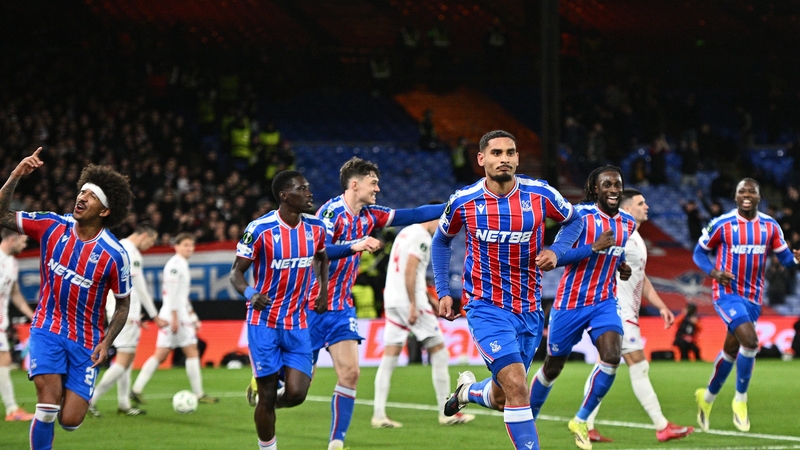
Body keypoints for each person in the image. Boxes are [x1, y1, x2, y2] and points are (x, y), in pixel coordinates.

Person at [433, 130, 584, 450]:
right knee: (518, 386)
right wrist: (444, 289)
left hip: (528, 308)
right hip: (486, 306)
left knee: (504, 396)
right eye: (497, 153)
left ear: (517, 158)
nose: (504, 159)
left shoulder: (540, 193)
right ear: (481, 159)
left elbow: (574, 220)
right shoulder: (464, 200)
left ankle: (467, 393)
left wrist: (558, 250)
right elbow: (441, 240)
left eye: (510, 153)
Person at [309, 156, 446, 450]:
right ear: (354, 184)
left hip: (341, 307)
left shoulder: (371, 215)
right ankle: (268, 381)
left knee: (351, 373)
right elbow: (317, 251)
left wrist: (457, 203)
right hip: (311, 304)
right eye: (373, 183)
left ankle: (337, 441)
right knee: (297, 388)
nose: (378, 189)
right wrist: (354, 245)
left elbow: (415, 213)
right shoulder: (331, 213)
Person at [0, 148, 133, 450]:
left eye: (92, 196)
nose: (82, 197)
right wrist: (15, 176)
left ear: (105, 211)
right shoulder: (52, 225)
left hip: (87, 340)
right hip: (47, 328)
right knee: (46, 408)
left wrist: (107, 341)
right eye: (82, 191)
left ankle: (62, 393)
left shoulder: (115, 255)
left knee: (70, 420)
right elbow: (1, 214)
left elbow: (123, 304)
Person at [528, 165, 635, 450]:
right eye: (607, 185)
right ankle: (528, 419)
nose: (613, 189)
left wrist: (621, 267)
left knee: (612, 357)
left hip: (604, 302)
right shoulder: (580, 217)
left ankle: (581, 419)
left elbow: (616, 255)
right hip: (570, 304)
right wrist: (593, 248)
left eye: (617, 184)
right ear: (595, 189)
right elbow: (554, 257)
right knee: (553, 368)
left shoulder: (628, 223)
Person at [583, 189, 694, 442]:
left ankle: (585, 424)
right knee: (635, 365)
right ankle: (661, 425)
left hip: (625, 311)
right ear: (628, 208)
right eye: (641, 203)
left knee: (606, 366)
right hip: (616, 309)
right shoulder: (619, 234)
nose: (647, 206)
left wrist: (661, 305)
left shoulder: (635, 237)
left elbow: (640, 277)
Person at [230, 170, 329, 450]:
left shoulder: (316, 228)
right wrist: (251, 293)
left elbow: (322, 257)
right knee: (267, 392)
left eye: (308, 187)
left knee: (297, 393)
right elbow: (236, 273)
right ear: (285, 195)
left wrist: (322, 291)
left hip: (297, 322)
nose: (309, 193)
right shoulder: (260, 229)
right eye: (302, 188)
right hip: (264, 323)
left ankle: (266, 401)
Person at [692, 177, 800, 433]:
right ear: (736, 196)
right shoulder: (722, 223)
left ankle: (706, 398)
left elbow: (785, 260)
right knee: (750, 342)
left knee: (731, 352)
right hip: (726, 294)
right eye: (742, 191)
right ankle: (740, 400)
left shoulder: (771, 227)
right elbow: (699, 252)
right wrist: (714, 272)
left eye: (752, 191)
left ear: (759, 197)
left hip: (753, 298)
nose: (747, 194)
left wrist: (796, 259)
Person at [372, 211, 475, 428]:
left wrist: (432, 300)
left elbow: (412, 273)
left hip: (392, 298)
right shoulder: (422, 236)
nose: (445, 226)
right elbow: (410, 270)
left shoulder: (405, 232)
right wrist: (413, 303)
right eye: (443, 221)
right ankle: (446, 412)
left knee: (389, 356)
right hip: (410, 301)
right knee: (439, 351)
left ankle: (378, 414)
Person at [87, 224, 166, 417]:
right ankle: (90, 400)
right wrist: (154, 315)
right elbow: (139, 288)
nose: (151, 245)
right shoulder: (132, 253)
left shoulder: (116, 246)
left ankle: (123, 403)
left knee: (128, 360)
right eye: (151, 241)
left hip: (122, 311)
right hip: (124, 313)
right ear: (144, 235)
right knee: (123, 361)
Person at [131, 232, 218, 405]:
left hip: (175, 314)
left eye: (191, 245)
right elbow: (170, 294)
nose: (189, 248)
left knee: (161, 354)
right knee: (192, 351)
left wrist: (193, 316)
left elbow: (182, 295)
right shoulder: (175, 265)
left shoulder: (180, 264)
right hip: (175, 315)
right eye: (185, 245)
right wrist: (175, 317)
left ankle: (136, 389)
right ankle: (199, 394)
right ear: (176, 246)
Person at [0, 229, 36, 421]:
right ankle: (12, 410)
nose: (24, 245)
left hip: (1, 322)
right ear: (12, 239)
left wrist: (32, 315)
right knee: (4, 360)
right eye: (23, 241)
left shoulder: (12, 263)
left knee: (3, 361)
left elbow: (14, 293)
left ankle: (12, 409)